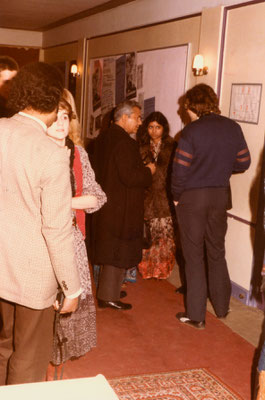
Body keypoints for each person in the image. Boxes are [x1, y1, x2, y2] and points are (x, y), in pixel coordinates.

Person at [0, 62, 81, 385]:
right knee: (29, 356)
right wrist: (71, 287)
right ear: (52, 101)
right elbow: (57, 229)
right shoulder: (51, 153)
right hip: (32, 273)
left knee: (5, 345)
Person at [171, 83, 251, 329]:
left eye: (187, 108)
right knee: (217, 250)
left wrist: (176, 196)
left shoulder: (190, 132)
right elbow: (244, 162)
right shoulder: (233, 127)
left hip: (193, 199)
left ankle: (196, 315)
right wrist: (223, 168)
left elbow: (179, 171)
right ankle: (222, 306)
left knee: (194, 256)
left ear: (193, 106)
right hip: (219, 196)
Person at [46, 97, 106, 365]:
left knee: (72, 301)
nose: (60, 123)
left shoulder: (79, 154)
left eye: (65, 117)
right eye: (55, 116)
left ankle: (63, 355)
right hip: (42, 242)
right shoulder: (35, 152)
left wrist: (64, 202)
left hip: (73, 240)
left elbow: (97, 197)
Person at [91, 100, 155, 310]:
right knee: (116, 251)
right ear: (125, 117)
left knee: (111, 248)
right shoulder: (125, 143)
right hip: (122, 206)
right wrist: (149, 171)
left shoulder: (103, 139)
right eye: (137, 118)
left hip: (107, 202)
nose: (140, 122)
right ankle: (108, 296)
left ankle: (111, 289)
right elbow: (130, 177)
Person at [137, 111, 176, 279]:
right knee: (150, 235)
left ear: (164, 128)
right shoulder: (141, 147)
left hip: (166, 197)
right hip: (147, 197)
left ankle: (163, 270)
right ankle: (149, 269)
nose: (154, 131)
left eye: (157, 127)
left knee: (166, 235)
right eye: (151, 127)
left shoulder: (172, 146)